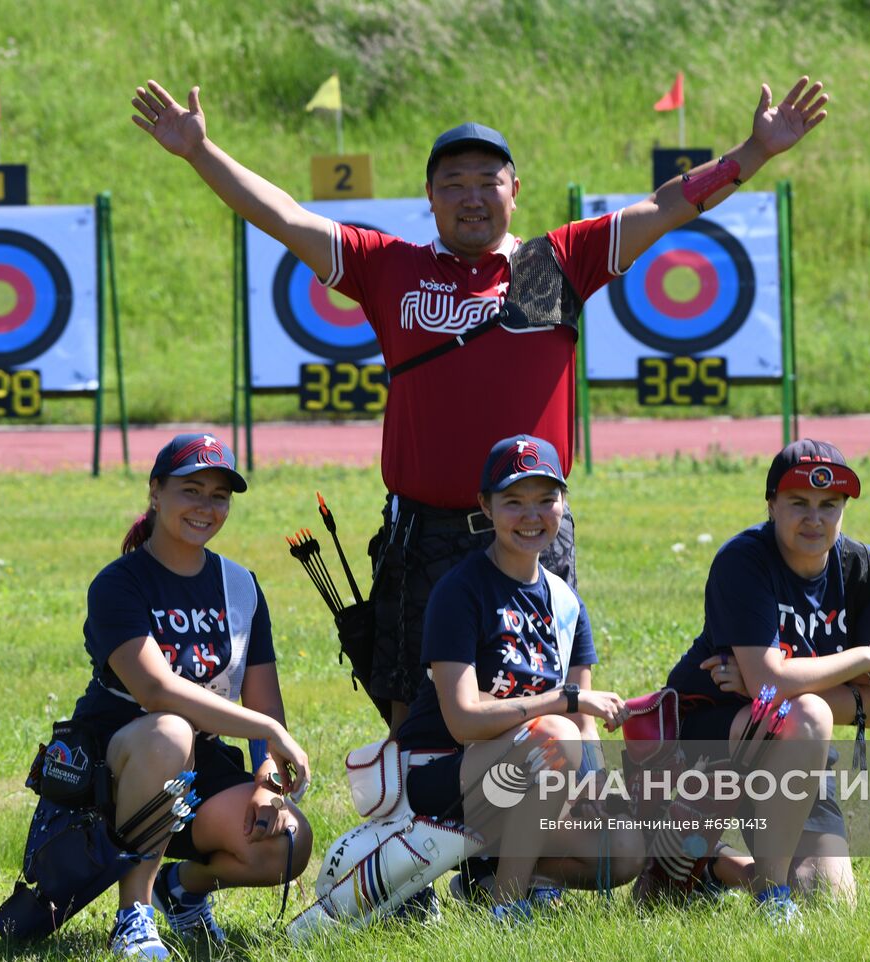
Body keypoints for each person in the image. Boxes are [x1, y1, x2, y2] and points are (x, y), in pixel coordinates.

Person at [130, 74, 831, 738]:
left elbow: (667, 205)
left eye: (487, 181)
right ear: (429, 198)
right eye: (453, 184)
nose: (472, 197)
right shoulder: (390, 267)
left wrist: (753, 153)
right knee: (415, 700)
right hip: (425, 530)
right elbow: (280, 215)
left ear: (515, 191)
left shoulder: (553, 266)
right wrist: (199, 152)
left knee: (553, 693)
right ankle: (413, 843)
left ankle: (544, 846)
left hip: (532, 523)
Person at [73, 432, 313, 959]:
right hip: (117, 765)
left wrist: (267, 780)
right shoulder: (119, 583)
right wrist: (270, 733)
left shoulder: (241, 585)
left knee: (285, 843)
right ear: (155, 492)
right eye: (191, 489)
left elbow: (263, 701)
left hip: (197, 762)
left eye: (219, 495)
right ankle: (132, 919)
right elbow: (155, 688)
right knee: (169, 729)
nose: (206, 506)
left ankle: (180, 889)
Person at [394, 434, 643, 922]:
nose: (532, 516)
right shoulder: (459, 591)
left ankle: (495, 876)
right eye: (513, 501)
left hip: (533, 773)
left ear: (563, 504)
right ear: (485, 507)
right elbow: (464, 720)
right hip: (442, 775)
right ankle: (507, 907)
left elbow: (584, 724)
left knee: (625, 851)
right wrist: (560, 704)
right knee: (555, 733)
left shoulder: (566, 602)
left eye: (546, 500)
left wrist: (593, 787)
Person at [662, 439, 870, 923]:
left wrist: (779, 682)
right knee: (809, 711)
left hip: (798, 751)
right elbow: (769, 683)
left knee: (828, 900)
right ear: (771, 504)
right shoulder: (743, 561)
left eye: (829, 506)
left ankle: (715, 867)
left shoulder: (868, 571)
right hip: (710, 736)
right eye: (798, 503)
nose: (814, 518)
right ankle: (769, 896)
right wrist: (862, 657)